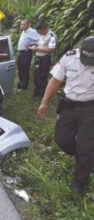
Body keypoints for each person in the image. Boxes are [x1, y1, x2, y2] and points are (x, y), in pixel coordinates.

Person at [37, 36, 94, 194]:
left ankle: (80, 181)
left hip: (90, 108)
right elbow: (55, 81)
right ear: (80, 50)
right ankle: (85, 159)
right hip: (69, 106)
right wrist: (44, 103)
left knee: (86, 146)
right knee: (61, 138)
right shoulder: (69, 58)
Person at [29, 24, 56, 98]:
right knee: (36, 76)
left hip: (45, 59)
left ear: (44, 29)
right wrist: (34, 44)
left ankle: (42, 94)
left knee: (42, 77)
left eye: (39, 32)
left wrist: (37, 49)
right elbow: (40, 43)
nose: (39, 34)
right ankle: (36, 92)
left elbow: (51, 50)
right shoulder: (42, 34)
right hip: (39, 57)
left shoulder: (51, 36)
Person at [17, 19, 40, 90]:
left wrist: (30, 46)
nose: (22, 26)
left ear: (28, 24)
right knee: (20, 68)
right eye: (21, 24)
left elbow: (40, 40)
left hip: (26, 53)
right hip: (20, 53)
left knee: (25, 69)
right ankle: (21, 83)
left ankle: (24, 86)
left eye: (23, 24)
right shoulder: (23, 31)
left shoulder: (32, 31)